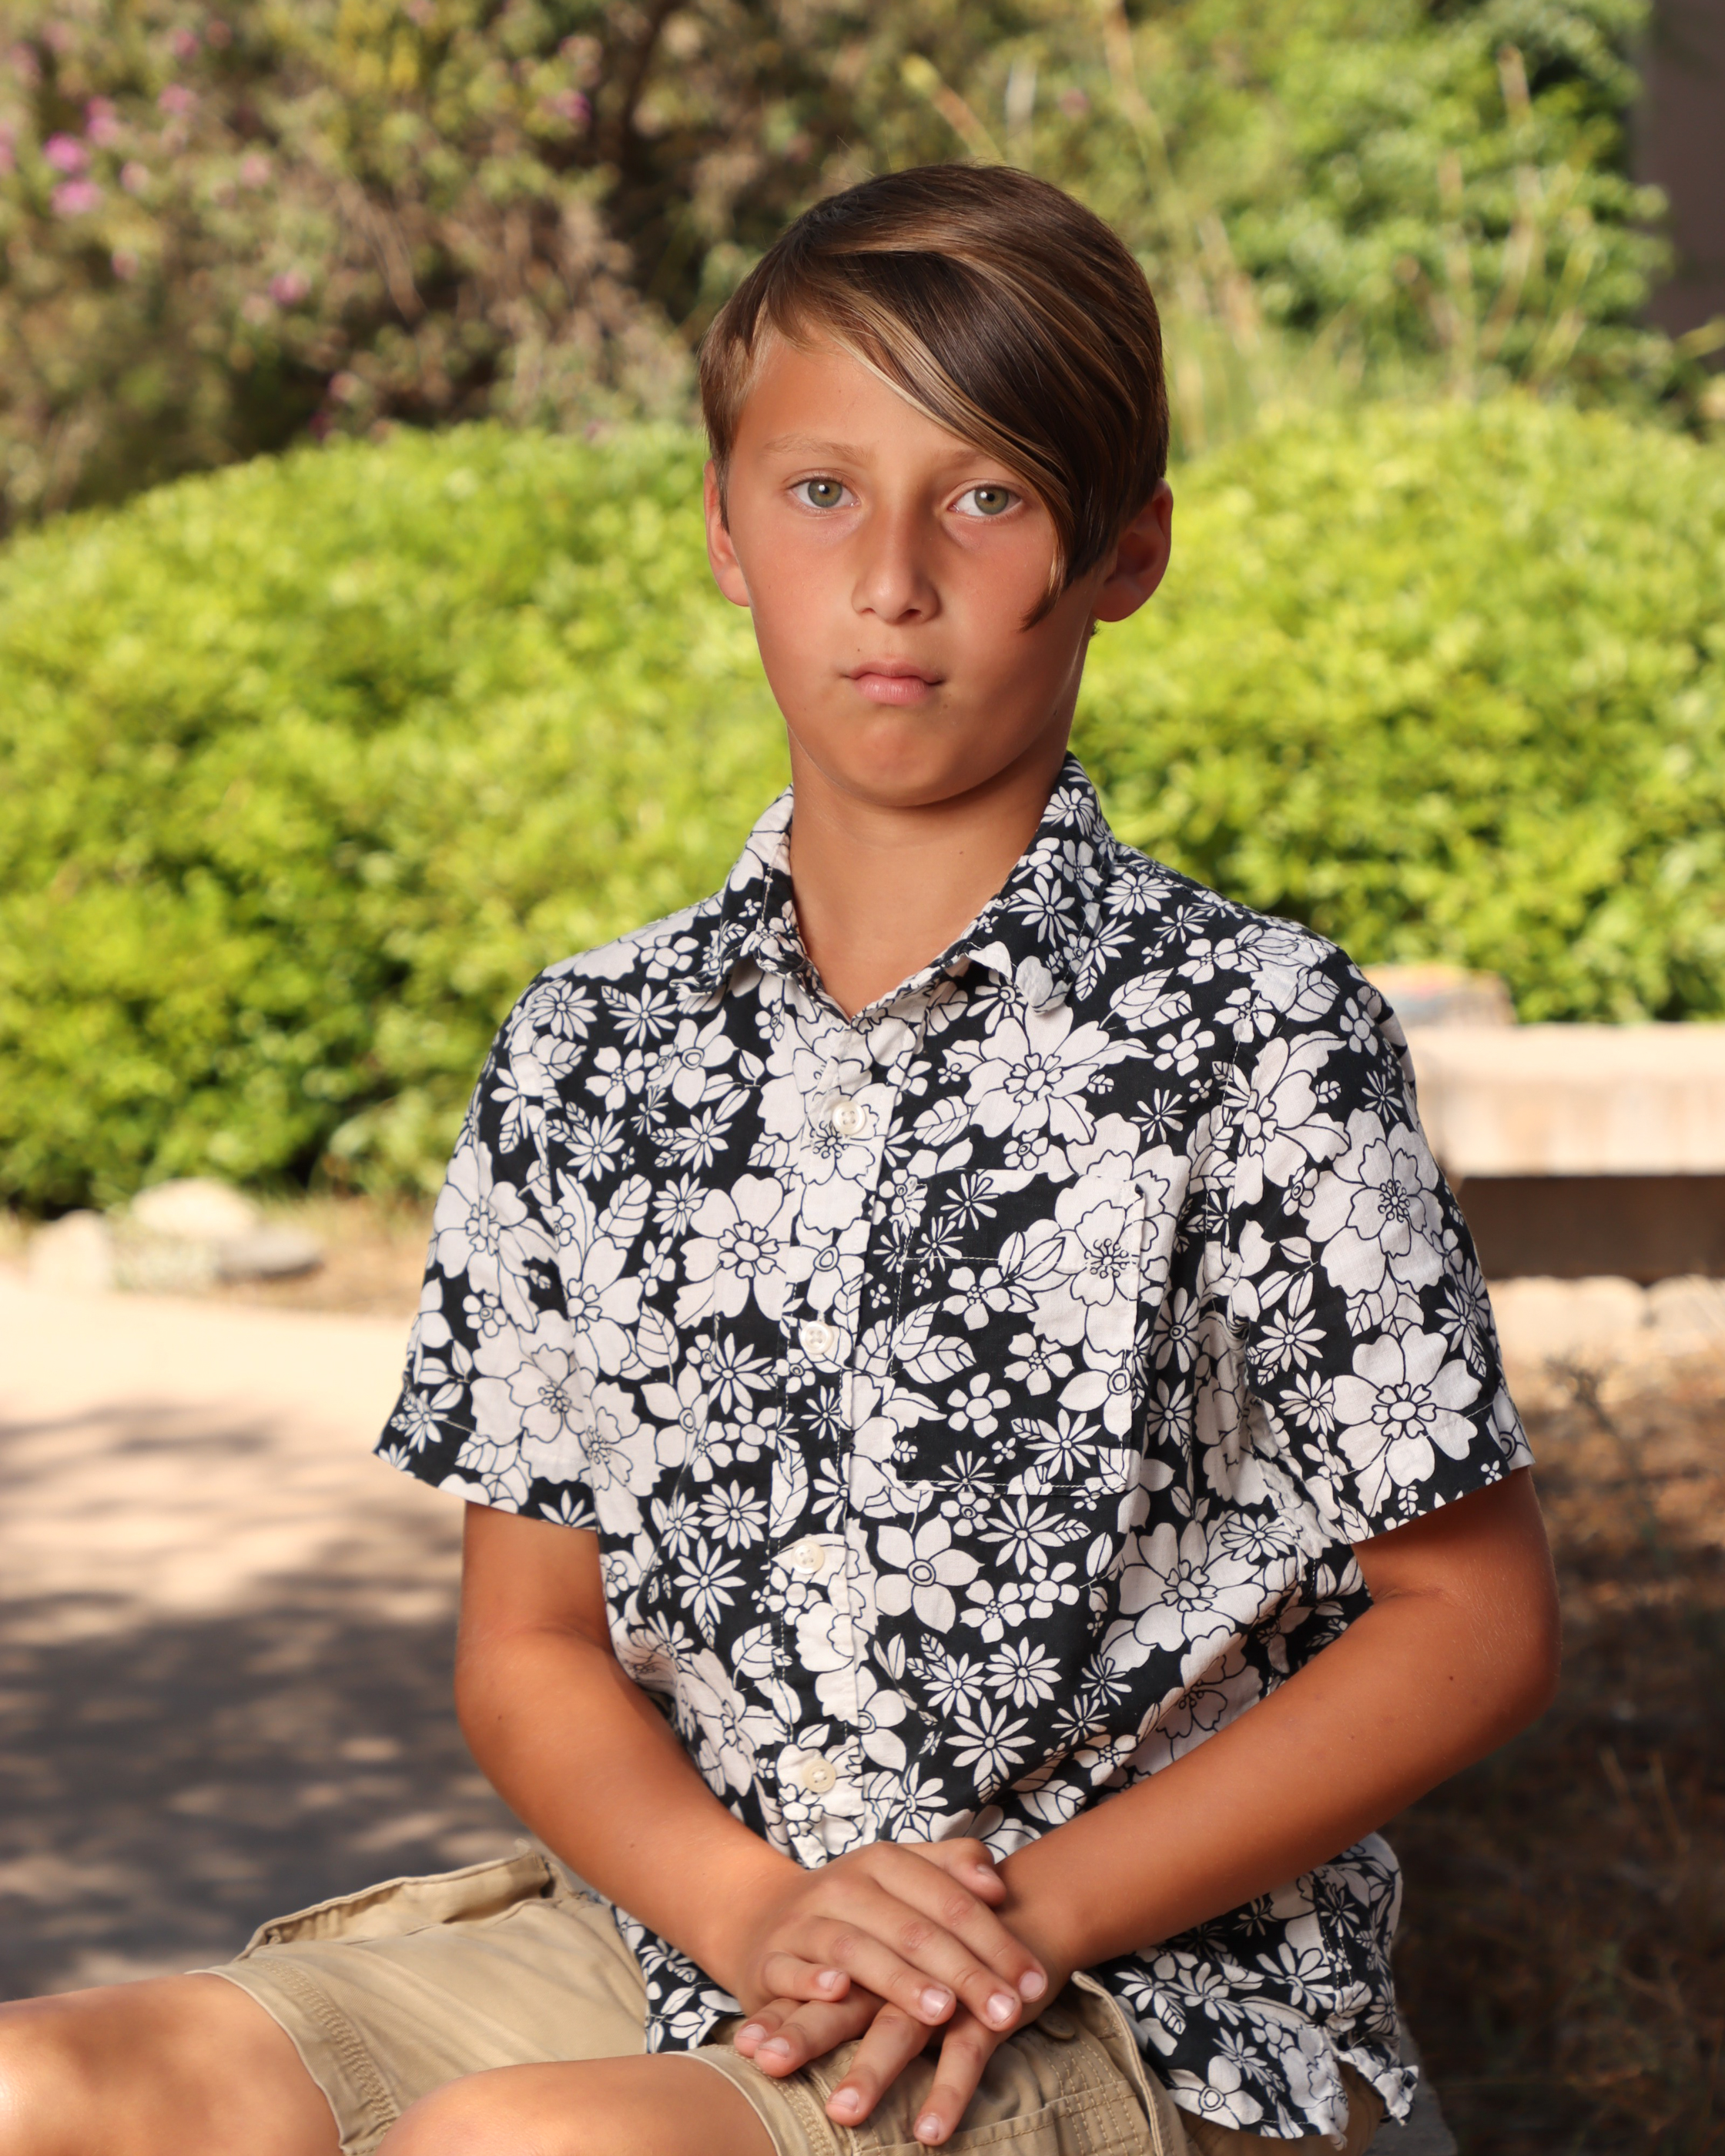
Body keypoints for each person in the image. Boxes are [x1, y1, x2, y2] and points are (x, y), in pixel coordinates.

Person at [0, 164, 1559, 2156]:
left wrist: (1003, 1924)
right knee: (40, 2091)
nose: (892, 577)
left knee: (518, 2154)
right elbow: (529, 1646)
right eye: (824, 491)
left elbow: (1471, 1623)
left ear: (1124, 551)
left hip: (1144, 1993)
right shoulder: (590, 1050)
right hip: (687, 1935)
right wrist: (756, 1912)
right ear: (727, 529)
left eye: (984, 498)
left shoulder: (1251, 1033)